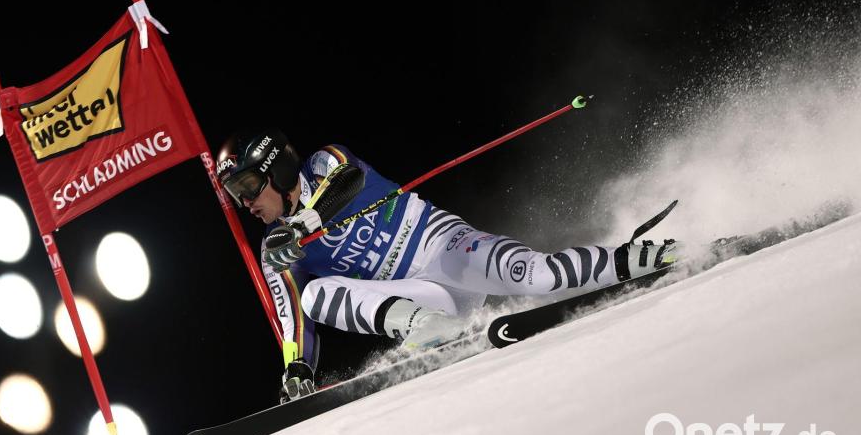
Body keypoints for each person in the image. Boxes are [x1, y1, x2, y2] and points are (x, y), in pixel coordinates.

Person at [216, 129, 676, 403]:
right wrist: (296, 369)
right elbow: (293, 312)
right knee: (315, 295)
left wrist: (309, 221)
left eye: (250, 186)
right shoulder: (278, 247)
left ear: (276, 169)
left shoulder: (324, 161)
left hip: (446, 250)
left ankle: (637, 257)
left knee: (539, 277)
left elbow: (349, 180)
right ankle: (427, 329)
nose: (248, 202)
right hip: (423, 297)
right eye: (238, 197)